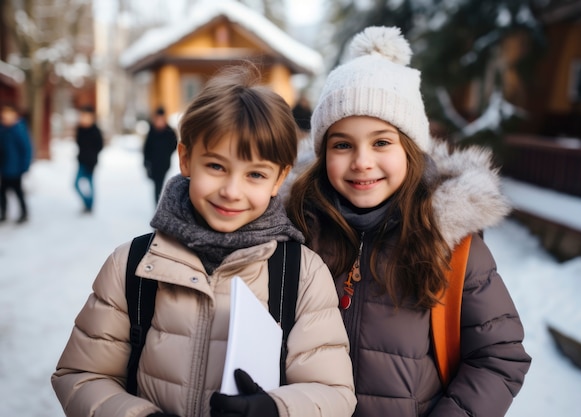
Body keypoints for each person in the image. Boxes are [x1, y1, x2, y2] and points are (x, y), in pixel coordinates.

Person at [51, 64, 356, 417]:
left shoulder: (300, 274)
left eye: (255, 174)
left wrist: (277, 410)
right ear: (185, 158)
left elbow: (334, 393)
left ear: (278, 179)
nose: (231, 191)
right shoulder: (133, 265)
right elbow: (81, 375)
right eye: (216, 166)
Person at [286, 26, 531, 417]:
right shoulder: (296, 231)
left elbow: (499, 357)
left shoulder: (452, 246)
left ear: (411, 151)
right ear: (322, 154)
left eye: (381, 142)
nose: (362, 161)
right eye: (342, 144)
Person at [0, 102, 32, 223]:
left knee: (18, 192)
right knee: (2, 192)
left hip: (16, 168)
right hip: (4, 168)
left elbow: (27, 149)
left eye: (9, 114)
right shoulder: (2, 129)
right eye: (5, 114)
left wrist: (25, 166)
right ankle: (3, 213)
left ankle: (24, 213)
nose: (7, 117)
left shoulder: (19, 129)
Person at [143, 106, 178, 204]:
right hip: (153, 164)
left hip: (164, 163)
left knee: (161, 185)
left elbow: (174, 145)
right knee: (157, 186)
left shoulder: (169, 132)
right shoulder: (152, 131)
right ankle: (158, 204)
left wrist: (166, 154)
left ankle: (160, 204)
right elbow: (146, 148)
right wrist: (146, 162)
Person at [74, 105, 104, 213]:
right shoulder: (80, 129)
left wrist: (92, 156)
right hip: (81, 161)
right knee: (76, 184)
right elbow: (78, 143)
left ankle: (90, 206)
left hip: (91, 162)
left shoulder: (95, 131)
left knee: (90, 184)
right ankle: (87, 202)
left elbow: (100, 146)